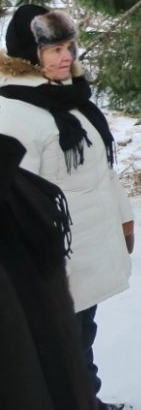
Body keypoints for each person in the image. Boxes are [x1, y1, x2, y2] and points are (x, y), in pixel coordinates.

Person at [0, 5, 135, 410]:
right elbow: (19, 204)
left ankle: (88, 400)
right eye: (54, 49)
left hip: (89, 248)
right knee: (58, 350)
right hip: (56, 262)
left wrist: (124, 219)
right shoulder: (13, 114)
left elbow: (102, 171)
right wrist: (46, 266)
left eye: (69, 47)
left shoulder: (68, 100)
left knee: (80, 340)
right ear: (30, 54)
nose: (66, 57)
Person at [0, 133, 96, 410]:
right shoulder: (18, 125)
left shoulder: (20, 192)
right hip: (73, 246)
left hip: (85, 244)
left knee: (83, 331)